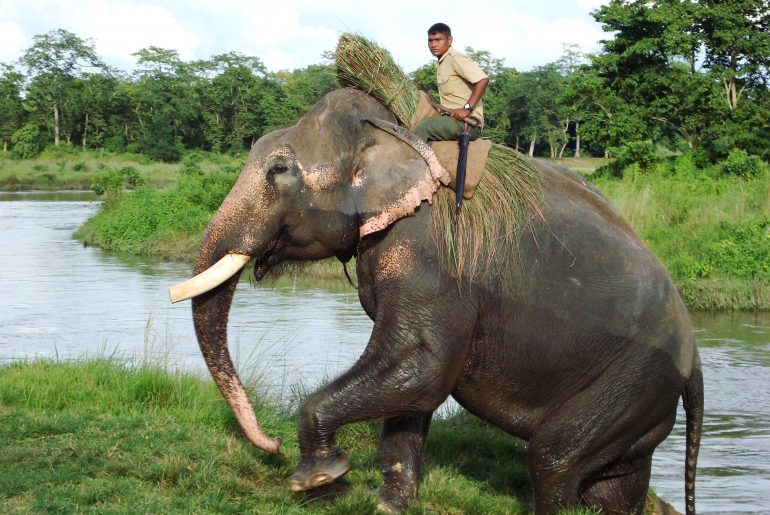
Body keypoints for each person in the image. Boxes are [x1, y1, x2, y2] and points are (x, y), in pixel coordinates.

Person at [413, 23, 489, 144]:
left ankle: (413, 162)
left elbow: (483, 80)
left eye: (438, 40)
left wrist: (467, 109)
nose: (433, 45)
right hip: (451, 119)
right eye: (430, 41)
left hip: (467, 122)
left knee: (424, 126)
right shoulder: (442, 63)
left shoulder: (455, 58)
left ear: (449, 40)